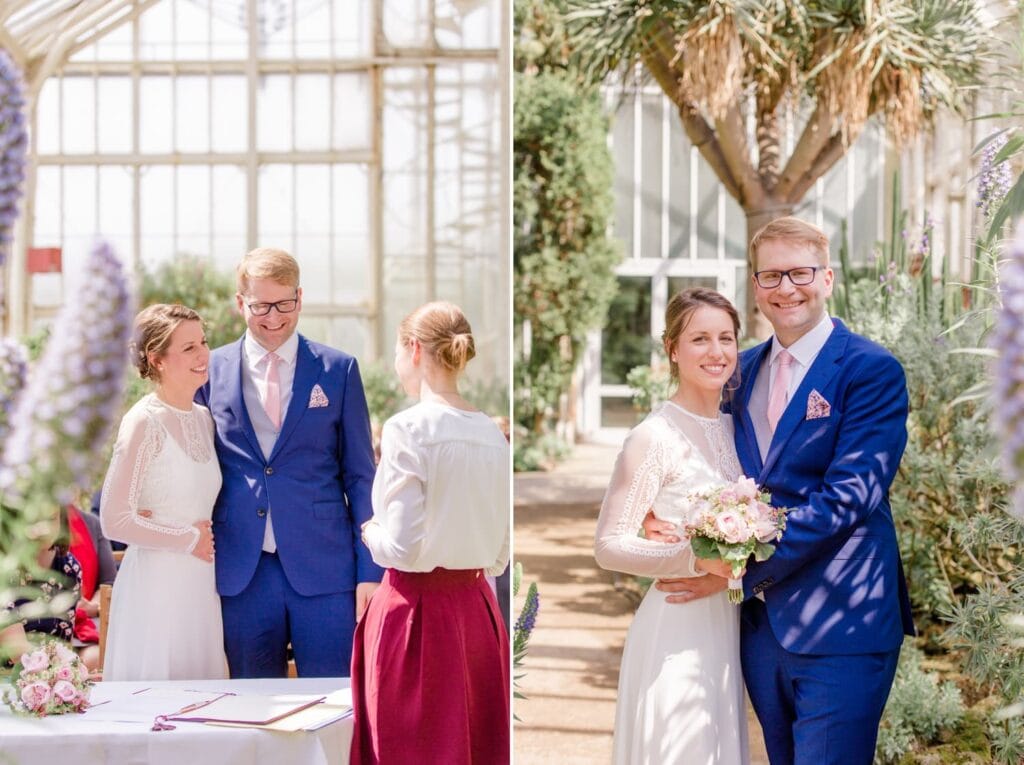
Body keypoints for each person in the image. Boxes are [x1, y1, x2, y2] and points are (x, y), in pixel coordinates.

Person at [647, 217, 915, 765]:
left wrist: (739, 567)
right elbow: (705, 460)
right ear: (756, 286)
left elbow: (850, 496)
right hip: (759, 629)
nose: (786, 287)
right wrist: (663, 512)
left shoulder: (870, 370)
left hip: (842, 622)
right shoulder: (738, 372)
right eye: (771, 275)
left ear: (828, 279)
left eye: (800, 272)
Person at [197, 247, 381, 678]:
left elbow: (360, 476)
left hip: (326, 570)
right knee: (251, 708)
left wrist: (370, 570)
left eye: (284, 304)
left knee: (334, 701)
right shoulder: (211, 370)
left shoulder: (339, 370)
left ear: (300, 298)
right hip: (241, 570)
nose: (274, 317)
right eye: (261, 306)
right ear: (240, 302)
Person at [594, 288, 749, 765]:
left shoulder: (742, 428)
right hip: (676, 625)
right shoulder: (653, 436)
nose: (716, 351)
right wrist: (692, 558)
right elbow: (608, 546)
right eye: (700, 338)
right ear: (673, 349)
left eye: (726, 337)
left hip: (728, 624)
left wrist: (729, 570)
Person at [350, 301, 510, 764]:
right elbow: (499, 553)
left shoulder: (407, 429)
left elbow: (401, 546)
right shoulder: (492, 434)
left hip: (415, 616)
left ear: (414, 349)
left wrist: (369, 530)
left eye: (398, 352)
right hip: (479, 613)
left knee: (410, 748)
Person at [99, 303, 224, 681]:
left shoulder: (205, 419)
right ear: (158, 359)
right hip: (156, 588)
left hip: (201, 586)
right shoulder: (142, 421)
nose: (203, 354)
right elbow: (113, 519)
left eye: (203, 342)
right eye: (188, 348)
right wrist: (187, 539)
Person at [67, 504, 117, 671]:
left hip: (84, 621)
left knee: (93, 659)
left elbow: (108, 581)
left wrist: (93, 605)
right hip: (39, 623)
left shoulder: (92, 523)